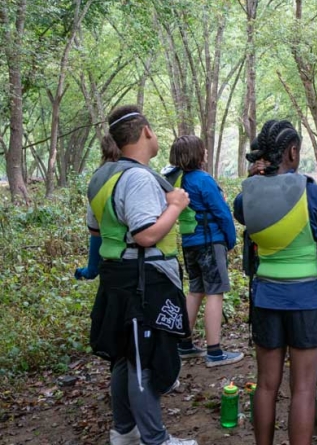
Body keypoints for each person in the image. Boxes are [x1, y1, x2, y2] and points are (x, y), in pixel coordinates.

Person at [86, 105, 197, 445]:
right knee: (143, 358)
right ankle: (156, 438)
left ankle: (124, 430)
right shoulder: (137, 177)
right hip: (142, 280)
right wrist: (176, 206)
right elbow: (146, 234)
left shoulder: (102, 176)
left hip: (117, 276)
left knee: (124, 353)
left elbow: (95, 230)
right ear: (146, 131)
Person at [234, 120, 317, 445]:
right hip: (307, 301)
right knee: (304, 389)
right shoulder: (314, 194)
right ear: (293, 152)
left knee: (266, 384)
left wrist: (256, 179)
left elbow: (243, 213)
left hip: (266, 298)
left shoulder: (245, 198)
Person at [163, 135, 242, 368]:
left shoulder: (177, 181)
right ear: (196, 154)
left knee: (195, 290)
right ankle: (214, 351)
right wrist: (230, 240)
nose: (206, 151)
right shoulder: (202, 180)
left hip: (189, 244)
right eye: (202, 149)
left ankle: (184, 344)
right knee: (215, 293)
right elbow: (222, 212)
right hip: (210, 242)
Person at [75, 136, 121, 280]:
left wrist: (91, 269)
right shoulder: (140, 175)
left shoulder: (98, 179)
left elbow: (94, 230)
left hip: (111, 261)